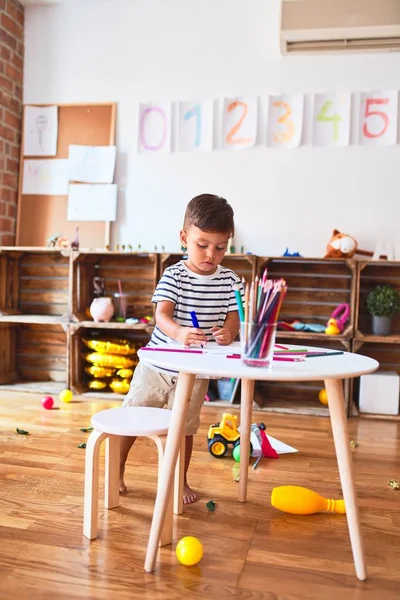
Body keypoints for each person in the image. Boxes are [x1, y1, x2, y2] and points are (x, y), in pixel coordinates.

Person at [119, 193, 243, 504]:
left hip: (196, 371)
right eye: (202, 245)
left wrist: (229, 333)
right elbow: (161, 315)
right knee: (132, 419)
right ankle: (116, 471)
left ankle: (179, 480)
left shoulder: (231, 281)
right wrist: (180, 333)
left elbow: (234, 318)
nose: (210, 254)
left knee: (185, 429)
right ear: (184, 237)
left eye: (220, 247)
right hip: (157, 366)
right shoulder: (174, 275)